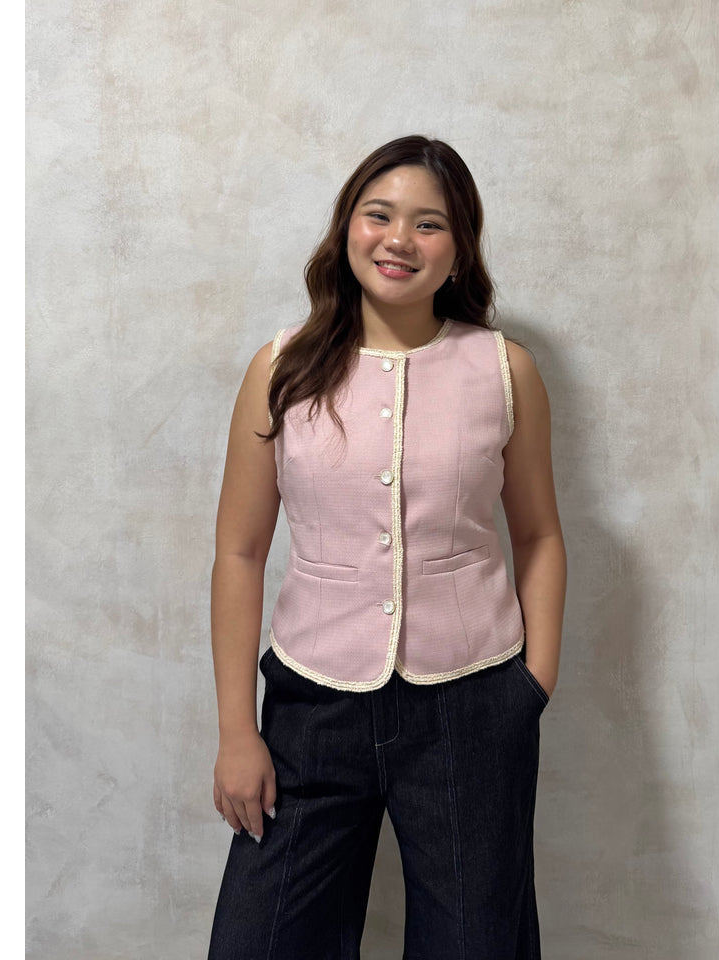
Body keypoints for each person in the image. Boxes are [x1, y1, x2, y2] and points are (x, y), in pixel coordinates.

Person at [206, 134, 566, 959]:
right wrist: (236, 731)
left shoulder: (505, 370)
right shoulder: (280, 368)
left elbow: (540, 534)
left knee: (476, 945)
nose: (399, 239)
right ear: (348, 227)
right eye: (380, 215)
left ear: (460, 248)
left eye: (428, 223)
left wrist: (530, 687)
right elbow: (239, 553)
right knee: (260, 942)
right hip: (310, 704)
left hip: (473, 703)